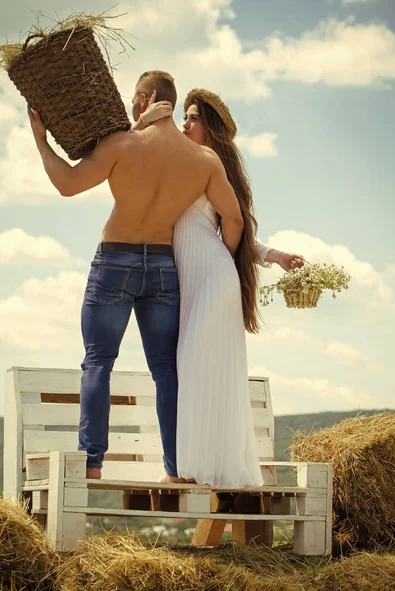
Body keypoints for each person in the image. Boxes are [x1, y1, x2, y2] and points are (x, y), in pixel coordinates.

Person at [27, 70, 246, 482]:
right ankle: (175, 469)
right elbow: (232, 217)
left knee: (98, 363)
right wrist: (222, 261)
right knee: (166, 369)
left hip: (114, 262)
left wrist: (41, 142)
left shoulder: (122, 145)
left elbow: (68, 184)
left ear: (145, 99)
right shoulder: (203, 159)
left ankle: (91, 463)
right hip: (164, 267)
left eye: (133, 98)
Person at [136, 88, 304, 487]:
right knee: (193, 369)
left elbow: (236, 224)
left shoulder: (211, 168)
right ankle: (197, 468)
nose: (185, 123)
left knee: (197, 364)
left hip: (213, 278)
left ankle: (201, 470)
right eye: (185, 116)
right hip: (193, 281)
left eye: (193, 118)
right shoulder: (183, 164)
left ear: (209, 128)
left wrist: (254, 257)